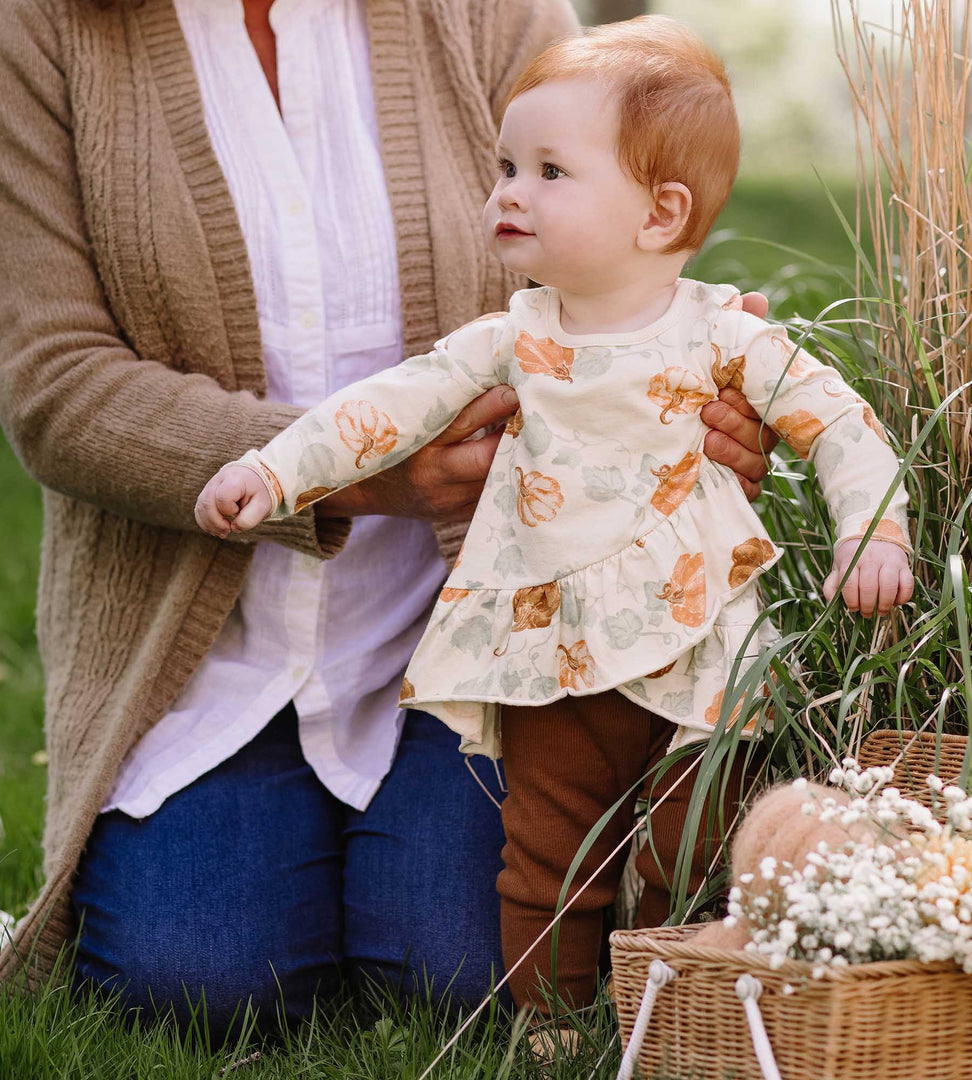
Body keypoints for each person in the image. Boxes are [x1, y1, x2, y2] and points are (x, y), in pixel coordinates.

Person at [0, 0, 774, 1038]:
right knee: (201, 982)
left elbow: (629, 237)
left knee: (468, 975)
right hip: (205, 656)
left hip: (480, 640)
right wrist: (357, 480)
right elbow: (59, 385)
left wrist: (708, 404)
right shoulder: (39, 31)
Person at [195, 15, 914, 1016]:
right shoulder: (512, 338)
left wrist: (870, 531)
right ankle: (556, 1029)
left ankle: (668, 1013)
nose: (507, 191)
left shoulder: (724, 337)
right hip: (553, 654)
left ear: (659, 215)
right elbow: (383, 410)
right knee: (547, 856)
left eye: (548, 171)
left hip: (697, 653)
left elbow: (841, 423)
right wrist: (276, 474)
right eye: (505, 165)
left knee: (684, 849)